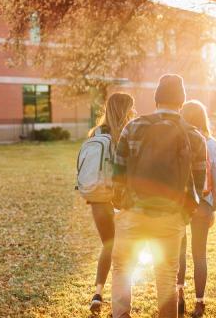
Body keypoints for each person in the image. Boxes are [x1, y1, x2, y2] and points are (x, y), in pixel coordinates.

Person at [111, 74, 207, 318]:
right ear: (181, 102)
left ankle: (121, 315)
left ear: (157, 99)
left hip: (133, 211)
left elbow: (118, 171)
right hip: (171, 215)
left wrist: (120, 204)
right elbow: (198, 181)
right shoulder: (194, 135)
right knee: (166, 276)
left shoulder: (134, 126)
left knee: (123, 268)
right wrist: (185, 213)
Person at [86, 92, 136, 313]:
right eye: (131, 108)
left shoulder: (95, 133)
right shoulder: (128, 132)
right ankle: (122, 300)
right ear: (126, 110)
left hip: (97, 198)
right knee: (123, 252)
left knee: (108, 244)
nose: (134, 112)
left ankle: (98, 293)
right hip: (120, 199)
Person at [176, 100, 216, 317]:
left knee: (180, 251)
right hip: (203, 203)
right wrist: (212, 206)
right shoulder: (211, 143)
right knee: (200, 253)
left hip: (180, 203)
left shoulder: (177, 140)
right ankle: (200, 302)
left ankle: (179, 297)